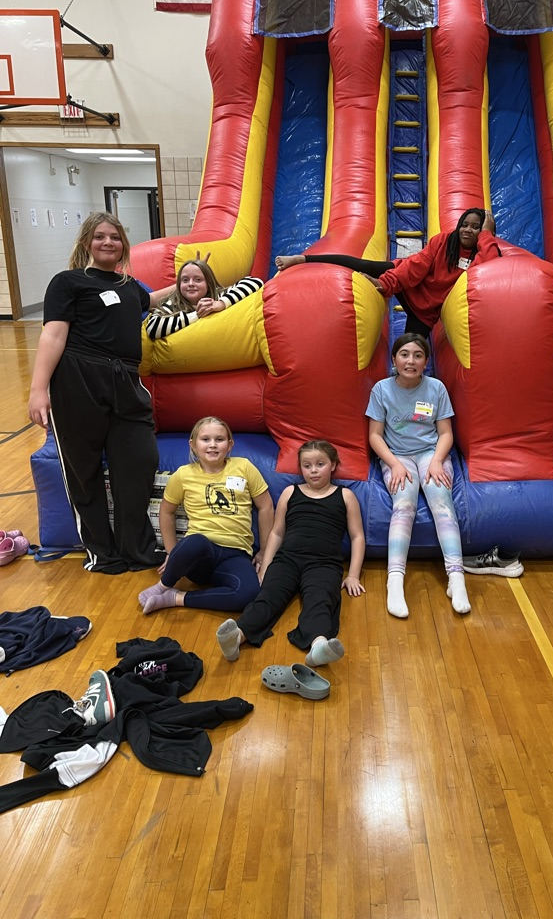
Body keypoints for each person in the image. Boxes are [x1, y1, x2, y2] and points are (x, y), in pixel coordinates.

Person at [28, 212, 175, 574]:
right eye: (100, 237)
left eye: (115, 237)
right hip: (78, 379)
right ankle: (102, 553)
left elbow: (149, 301)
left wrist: (192, 281)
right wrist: (38, 389)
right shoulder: (68, 282)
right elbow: (54, 335)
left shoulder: (129, 286)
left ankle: (136, 549)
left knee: (139, 461)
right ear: (86, 244)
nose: (108, 242)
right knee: (84, 470)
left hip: (125, 380)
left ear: (124, 243)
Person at [216, 440, 365, 667]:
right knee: (268, 597)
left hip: (324, 563)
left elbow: (357, 537)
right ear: (300, 468)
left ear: (333, 465)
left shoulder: (345, 496)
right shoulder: (290, 492)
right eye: (307, 465)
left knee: (321, 599)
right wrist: (266, 564)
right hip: (288, 559)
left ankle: (319, 645)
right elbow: (276, 533)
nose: (313, 470)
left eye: (320, 464)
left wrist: (353, 574)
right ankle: (238, 637)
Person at [366, 332, 470, 618]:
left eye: (418, 355)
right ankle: (395, 581)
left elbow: (445, 433)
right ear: (394, 359)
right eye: (404, 354)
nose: (410, 361)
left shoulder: (435, 388)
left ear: (426, 361)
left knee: (441, 502)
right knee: (404, 504)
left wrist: (437, 460)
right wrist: (393, 463)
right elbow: (375, 435)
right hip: (396, 456)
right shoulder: (382, 389)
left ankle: (456, 578)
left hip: (429, 454)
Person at [275, 208, 500, 337]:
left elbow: (486, 271)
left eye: (475, 226)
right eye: (465, 224)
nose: (468, 230)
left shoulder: (483, 252)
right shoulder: (444, 241)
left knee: (410, 347)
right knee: (363, 265)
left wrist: (487, 237)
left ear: (484, 232)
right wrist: (385, 284)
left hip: (425, 312)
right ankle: (301, 259)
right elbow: (415, 267)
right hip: (410, 283)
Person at [138, 416, 274, 614]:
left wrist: (263, 550)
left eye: (219, 439)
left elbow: (266, 507)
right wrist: (172, 552)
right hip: (200, 554)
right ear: (193, 445)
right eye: (206, 439)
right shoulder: (183, 475)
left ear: (230, 445)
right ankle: (163, 586)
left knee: (249, 594)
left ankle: (175, 598)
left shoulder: (244, 467)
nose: (212, 445)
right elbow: (166, 511)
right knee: (196, 542)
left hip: (236, 553)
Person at [145, 256, 264, 339]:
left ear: (208, 283)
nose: (191, 284)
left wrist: (221, 304)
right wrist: (197, 314)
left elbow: (255, 282)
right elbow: (152, 328)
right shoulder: (173, 303)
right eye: (185, 280)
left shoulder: (218, 296)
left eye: (198, 280)